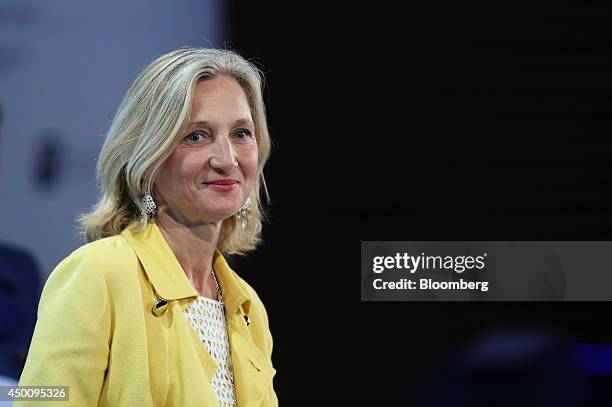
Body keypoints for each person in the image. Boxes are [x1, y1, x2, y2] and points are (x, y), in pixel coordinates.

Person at [16, 47, 278, 406]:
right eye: (196, 136)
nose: (226, 159)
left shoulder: (248, 308)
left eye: (241, 133)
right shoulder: (99, 273)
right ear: (148, 159)